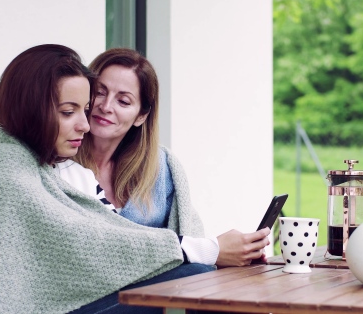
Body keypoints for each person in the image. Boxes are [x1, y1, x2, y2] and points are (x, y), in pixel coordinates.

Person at [0, 44, 214, 314]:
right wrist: (200, 249)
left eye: (84, 109)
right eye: (69, 112)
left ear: (142, 116)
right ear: (31, 109)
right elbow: (86, 247)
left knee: (204, 279)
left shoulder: (82, 173)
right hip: (73, 304)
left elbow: (105, 238)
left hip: (102, 295)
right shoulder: (2, 171)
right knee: (198, 279)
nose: (88, 120)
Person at [59, 48, 270, 267]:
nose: (106, 106)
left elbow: (190, 234)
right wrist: (211, 251)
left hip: (158, 290)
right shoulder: (59, 167)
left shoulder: (160, 168)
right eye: (99, 92)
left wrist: (229, 254)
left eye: (123, 101)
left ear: (141, 116)